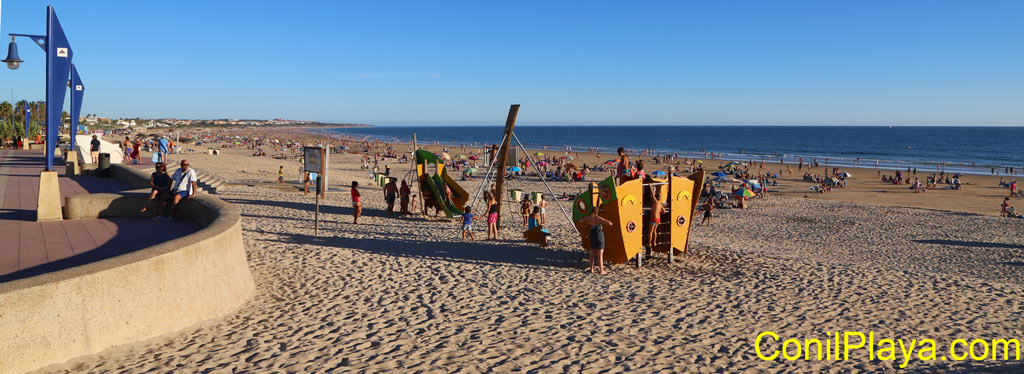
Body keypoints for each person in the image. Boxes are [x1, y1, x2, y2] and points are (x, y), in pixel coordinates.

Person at [578, 206, 614, 274]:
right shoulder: (599, 218)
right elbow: (610, 223)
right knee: (600, 254)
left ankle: (591, 269)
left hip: (592, 235)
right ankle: (601, 270)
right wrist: (605, 220)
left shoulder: (588, 218)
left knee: (592, 253)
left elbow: (580, 221)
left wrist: (587, 220)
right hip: (599, 235)